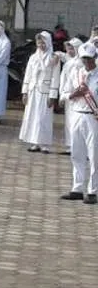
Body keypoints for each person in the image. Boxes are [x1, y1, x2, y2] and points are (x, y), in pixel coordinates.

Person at [60, 44, 98, 204]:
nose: (87, 62)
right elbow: (64, 94)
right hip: (77, 115)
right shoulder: (76, 74)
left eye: (89, 59)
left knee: (95, 155)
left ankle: (93, 191)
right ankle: (77, 188)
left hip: (93, 118)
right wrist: (74, 93)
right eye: (84, 59)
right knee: (77, 153)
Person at [19, 31, 59, 153]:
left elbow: (55, 77)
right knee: (32, 116)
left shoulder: (53, 58)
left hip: (45, 91)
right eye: (39, 42)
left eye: (43, 42)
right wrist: (25, 92)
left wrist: (52, 95)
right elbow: (28, 75)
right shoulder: (33, 57)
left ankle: (44, 143)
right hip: (33, 90)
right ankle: (34, 142)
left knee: (43, 117)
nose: (41, 45)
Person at [56, 38, 85, 153]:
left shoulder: (79, 63)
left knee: (76, 122)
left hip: (76, 97)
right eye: (68, 48)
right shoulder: (70, 61)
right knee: (69, 121)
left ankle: (78, 146)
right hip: (68, 95)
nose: (70, 51)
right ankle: (71, 145)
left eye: (72, 48)